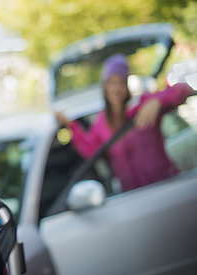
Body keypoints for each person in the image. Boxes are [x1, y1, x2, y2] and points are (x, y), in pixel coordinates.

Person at [55, 53, 193, 191]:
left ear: (127, 84)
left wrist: (158, 101)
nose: (116, 89)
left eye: (121, 82)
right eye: (111, 82)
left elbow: (184, 89)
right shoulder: (102, 122)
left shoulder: (143, 104)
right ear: (105, 86)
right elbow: (91, 151)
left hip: (166, 187)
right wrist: (70, 126)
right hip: (131, 197)